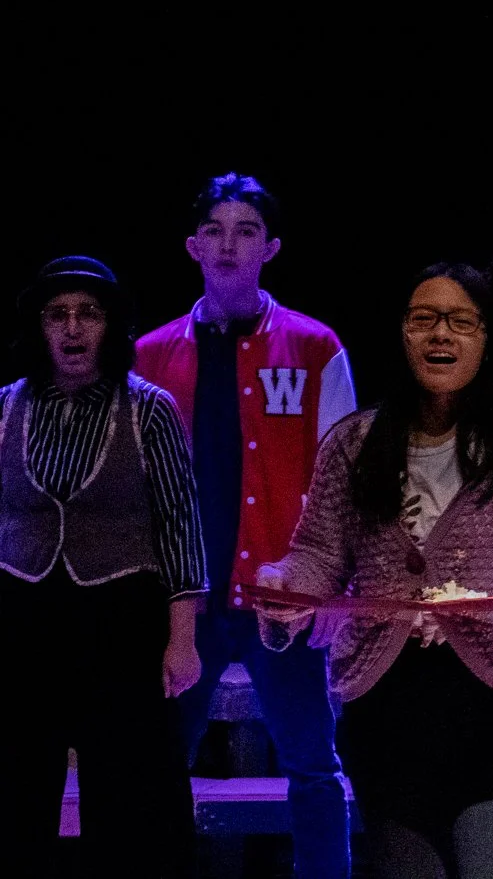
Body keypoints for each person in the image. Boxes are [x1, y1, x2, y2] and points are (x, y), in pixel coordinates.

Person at [253, 262, 493, 877]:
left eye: (461, 322)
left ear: (487, 338)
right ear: (403, 334)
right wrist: (287, 585)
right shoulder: (354, 443)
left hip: (492, 703)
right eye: (424, 320)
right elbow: (318, 556)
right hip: (387, 704)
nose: (441, 334)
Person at [134, 173, 356, 879]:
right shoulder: (149, 355)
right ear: (192, 245)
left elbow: (342, 475)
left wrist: (336, 582)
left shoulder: (314, 346)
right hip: (185, 597)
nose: (229, 245)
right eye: (216, 231)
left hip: (281, 592)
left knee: (312, 763)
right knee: (155, 760)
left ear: (272, 247)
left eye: (246, 231)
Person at [0, 256, 206, 878]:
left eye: (88, 313)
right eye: (57, 313)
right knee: (14, 795)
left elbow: (179, 523)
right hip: (23, 619)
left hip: (120, 624)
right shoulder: (6, 407)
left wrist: (183, 639)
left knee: (132, 802)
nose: (72, 327)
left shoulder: (148, 409)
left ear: (110, 325)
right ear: (39, 326)